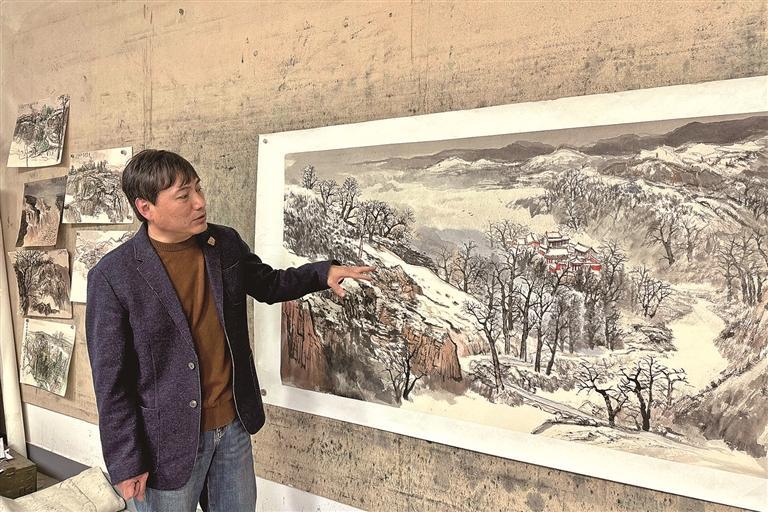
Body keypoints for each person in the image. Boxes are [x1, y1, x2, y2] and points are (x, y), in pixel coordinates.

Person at [85, 149, 374, 512]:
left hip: (233, 427)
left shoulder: (223, 244)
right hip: (166, 444)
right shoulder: (113, 276)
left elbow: (269, 283)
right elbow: (111, 382)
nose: (200, 202)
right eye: (184, 196)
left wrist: (321, 273)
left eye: (198, 188)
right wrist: (126, 462)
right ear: (146, 208)